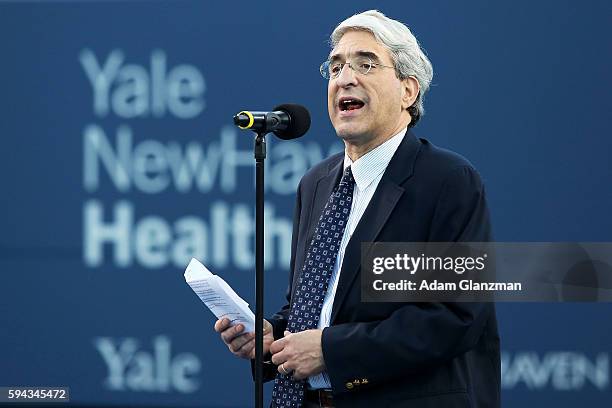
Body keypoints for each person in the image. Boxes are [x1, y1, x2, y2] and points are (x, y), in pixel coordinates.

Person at [215, 10, 500, 408]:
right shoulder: (315, 183)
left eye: (365, 63)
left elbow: (452, 318)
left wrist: (331, 350)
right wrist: (271, 336)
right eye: (335, 67)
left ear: (408, 91)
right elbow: (315, 305)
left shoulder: (447, 180)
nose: (345, 78)